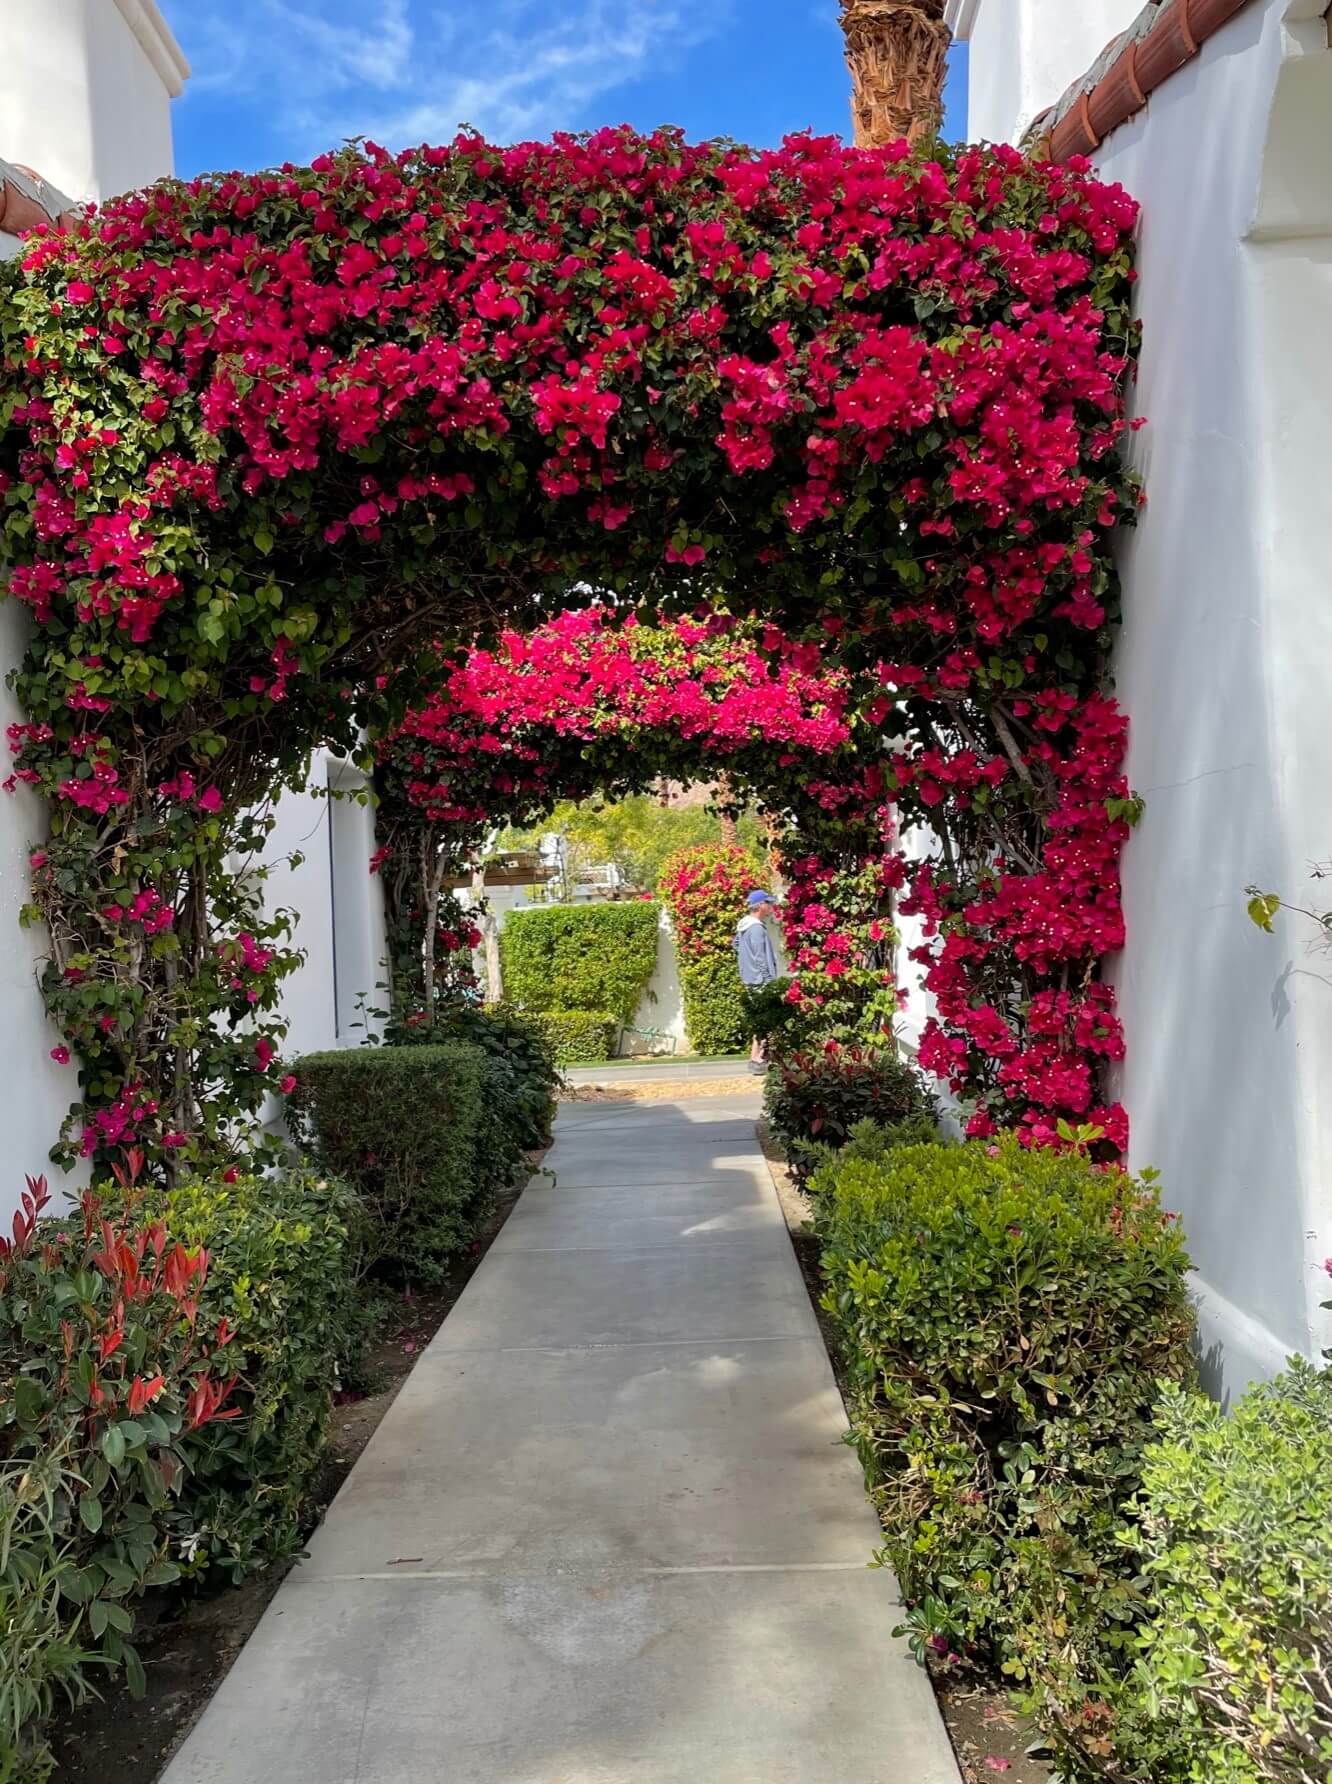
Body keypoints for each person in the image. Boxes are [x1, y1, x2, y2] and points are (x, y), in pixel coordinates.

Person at [735, 890, 780, 1072]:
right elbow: (761, 959)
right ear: (760, 905)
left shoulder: (744, 927)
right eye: (768, 904)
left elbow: (736, 945)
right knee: (765, 1020)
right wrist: (769, 980)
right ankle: (758, 1058)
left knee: (760, 1020)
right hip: (760, 981)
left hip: (750, 978)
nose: (770, 907)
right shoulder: (756, 928)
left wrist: (746, 963)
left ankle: (757, 1057)